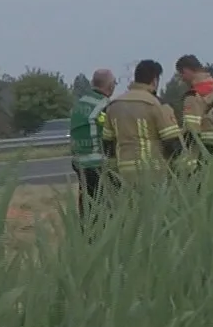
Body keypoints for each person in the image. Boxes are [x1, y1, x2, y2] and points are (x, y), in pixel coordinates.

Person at [97, 59, 186, 187]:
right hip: (152, 170)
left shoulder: (114, 105)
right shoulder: (157, 104)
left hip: (123, 170)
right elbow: (173, 142)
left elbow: (107, 143)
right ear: (155, 80)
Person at [69, 68, 116, 213]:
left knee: (86, 207)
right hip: (98, 164)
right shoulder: (104, 105)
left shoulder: (80, 104)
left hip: (79, 162)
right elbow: (110, 131)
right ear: (110, 85)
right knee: (103, 210)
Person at [175, 54, 213, 159]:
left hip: (205, 150)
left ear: (186, 71)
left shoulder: (193, 96)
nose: (182, 79)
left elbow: (192, 130)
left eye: (181, 74)